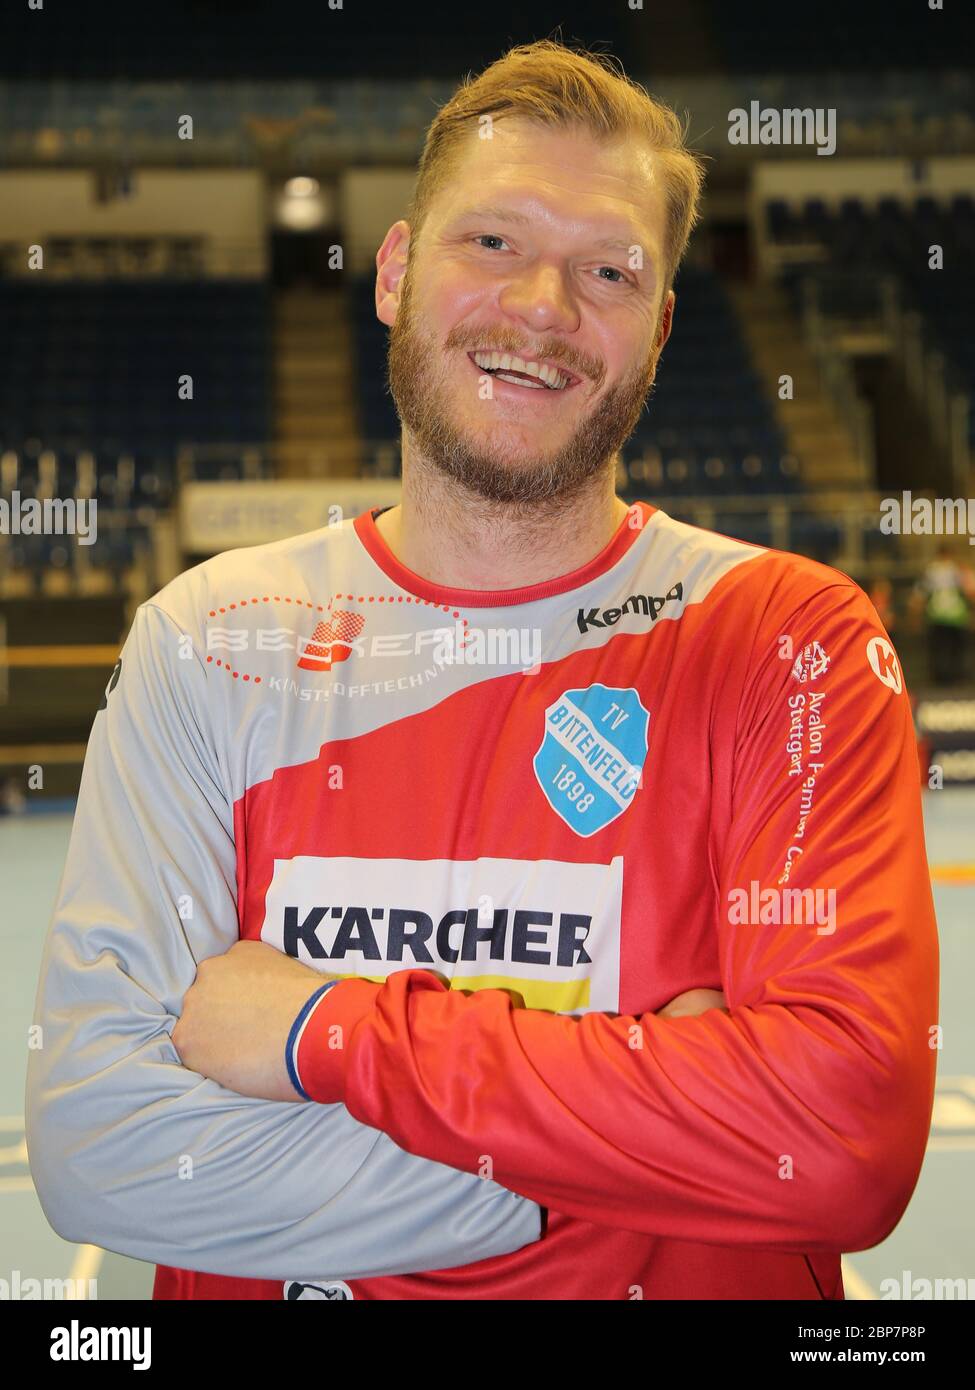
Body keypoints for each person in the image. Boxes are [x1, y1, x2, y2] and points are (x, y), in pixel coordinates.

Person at [27, 39, 938, 1302]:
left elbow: (836, 1144)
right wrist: (636, 1137)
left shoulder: (788, 640)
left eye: (609, 270)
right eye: (493, 243)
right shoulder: (210, 639)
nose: (546, 307)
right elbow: (103, 1154)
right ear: (396, 270)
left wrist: (317, 1029)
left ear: (661, 328)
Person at [910, 544, 973, 685]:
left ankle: (941, 679)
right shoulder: (957, 570)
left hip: (940, 616)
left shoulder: (933, 571)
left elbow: (919, 595)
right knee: (952, 650)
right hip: (954, 616)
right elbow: (970, 590)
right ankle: (953, 679)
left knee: (941, 649)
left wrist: (915, 615)